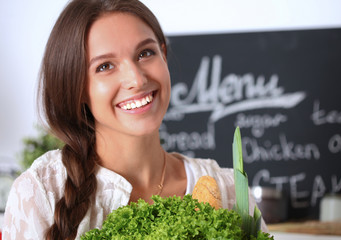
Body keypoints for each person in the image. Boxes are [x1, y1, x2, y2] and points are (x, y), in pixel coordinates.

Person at [3, 0, 268, 239]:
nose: (137, 79)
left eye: (145, 53)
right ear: (77, 88)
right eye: (105, 66)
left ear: (163, 55)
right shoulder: (41, 193)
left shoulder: (230, 189)